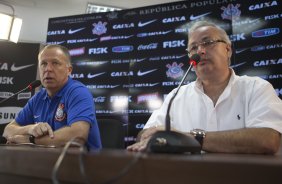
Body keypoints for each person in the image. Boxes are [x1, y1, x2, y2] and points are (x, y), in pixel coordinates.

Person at [127, 21, 282, 154]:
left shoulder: (256, 88)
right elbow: (143, 135)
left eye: (208, 43)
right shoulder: (177, 95)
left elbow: (268, 140)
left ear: (227, 50)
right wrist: (155, 135)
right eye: (193, 48)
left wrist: (189, 138)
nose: (200, 50)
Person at [3, 44, 102, 150]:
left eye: (55, 63)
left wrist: (30, 140)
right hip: (46, 162)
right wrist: (30, 129)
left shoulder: (78, 92)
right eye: (43, 64)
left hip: (83, 164)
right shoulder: (38, 98)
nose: (48, 69)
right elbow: (8, 130)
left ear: (69, 70)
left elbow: (77, 136)